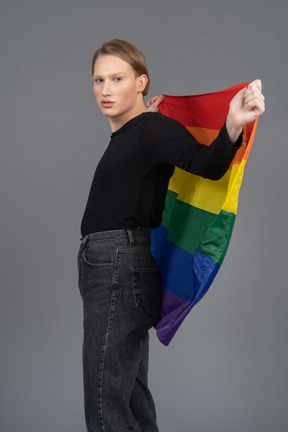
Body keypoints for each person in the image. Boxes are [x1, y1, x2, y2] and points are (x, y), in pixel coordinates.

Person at [77, 39, 265, 432]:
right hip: (116, 265)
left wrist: (233, 123)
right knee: (127, 396)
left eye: (117, 78)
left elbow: (206, 164)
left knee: (105, 399)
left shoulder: (151, 129)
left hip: (117, 267)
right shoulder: (137, 131)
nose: (106, 89)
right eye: (99, 80)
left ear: (140, 82)